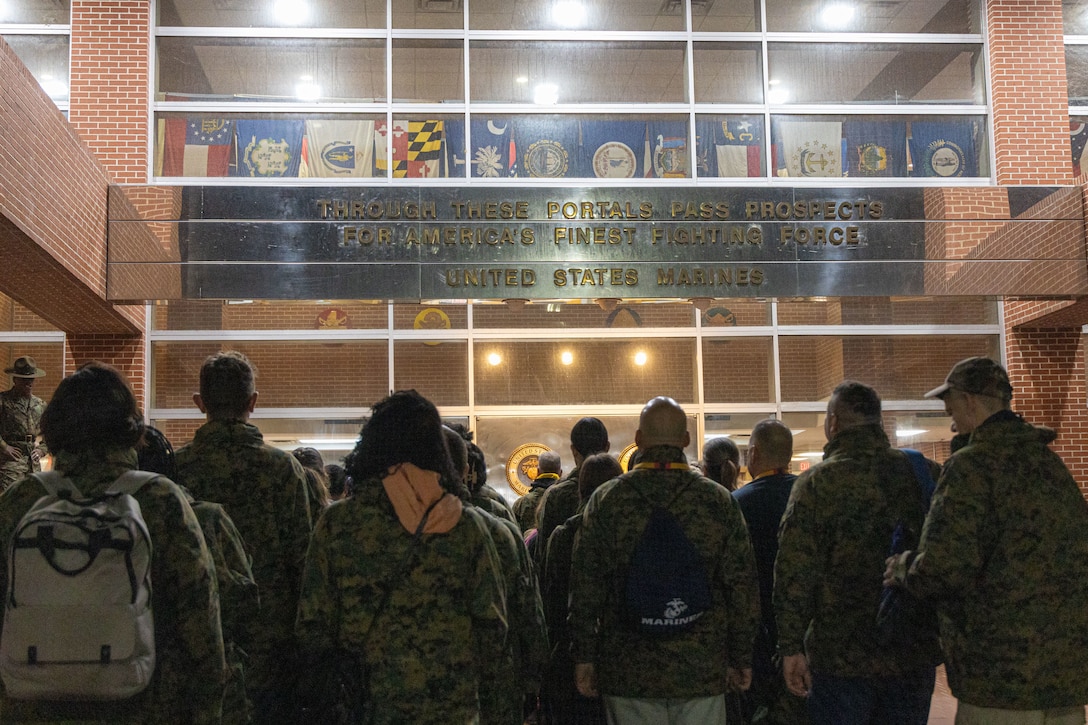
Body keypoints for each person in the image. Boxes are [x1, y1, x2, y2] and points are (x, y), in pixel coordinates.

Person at [0, 362, 225, 723]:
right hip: (143, 705)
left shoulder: (21, 500)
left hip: (31, 707)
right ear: (130, 427)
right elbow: (200, 621)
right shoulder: (160, 499)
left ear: (53, 427)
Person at [884, 357, 1088, 724]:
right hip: (1064, 675)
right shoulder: (1050, 465)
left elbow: (946, 567)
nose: (952, 423)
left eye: (952, 411)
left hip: (999, 678)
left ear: (969, 401)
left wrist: (903, 566)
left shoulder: (971, 467)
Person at [296, 390, 508, 724]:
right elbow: (492, 626)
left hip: (366, 708)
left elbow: (312, 626)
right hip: (450, 709)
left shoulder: (338, 524)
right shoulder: (466, 525)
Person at [569, 396, 759, 725]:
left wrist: (584, 656)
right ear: (685, 439)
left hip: (628, 670)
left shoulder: (607, 500)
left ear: (639, 439)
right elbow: (741, 586)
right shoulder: (717, 500)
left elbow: (586, 585)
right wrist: (741, 655)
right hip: (701, 669)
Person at [775, 381, 941, 725]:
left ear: (833, 422)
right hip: (911, 650)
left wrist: (791, 647)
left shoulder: (817, 483)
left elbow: (795, 573)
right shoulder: (922, 472)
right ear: (878, 421)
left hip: (840, 656)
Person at [174, 350, 312, 722]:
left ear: (200, 403)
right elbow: (303, 560)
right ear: (253, 402)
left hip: (197, 639)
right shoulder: (283, 469)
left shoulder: (176, 469)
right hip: (271, 645)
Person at [443, 426, 548, 725]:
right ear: (466, 471)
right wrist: (534, 679)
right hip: (494, 688)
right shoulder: (497, 525)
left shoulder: (388, 531)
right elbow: (528, 607)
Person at [731, 418, 804, 724]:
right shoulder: (808, 495)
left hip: (758, 631)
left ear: (754, 453)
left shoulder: (738, 503)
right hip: (806, 627)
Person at [540, 452, 621, 725]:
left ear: (581, 487)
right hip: (621, 652)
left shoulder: (564, 534)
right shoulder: (627, 532)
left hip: (570, 652)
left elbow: (551, 597)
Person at [536, 417, 610, 548]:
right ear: (607, 447)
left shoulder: (556, 495)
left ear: (573, 450)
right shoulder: (623, 491)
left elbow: (543, 552)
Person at [0, 356, 47, 492]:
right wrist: (4, 447)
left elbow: (50, 432)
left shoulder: (40, 405)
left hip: (33, 464)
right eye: (24, 379)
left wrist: (42, 450)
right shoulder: (3, 401)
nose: (29, 383)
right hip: (11, 463)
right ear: (15, 379)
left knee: (34, 501)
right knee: (10, 500)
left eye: (31, 379)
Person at [513, 450, 561, 534]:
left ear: (538, 472)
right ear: (560, 473)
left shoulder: (521, 504)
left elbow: (514, 534)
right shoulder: (567, 499)